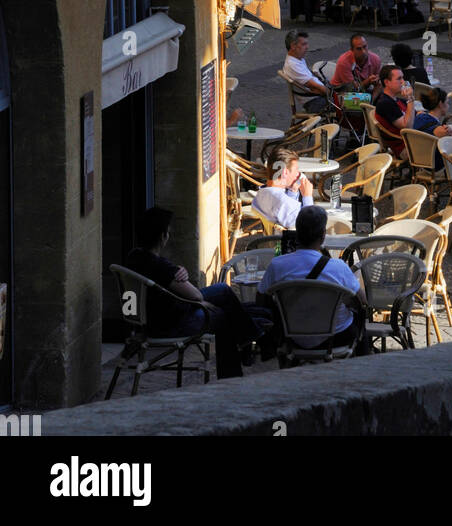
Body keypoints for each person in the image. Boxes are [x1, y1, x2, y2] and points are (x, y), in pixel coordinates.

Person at [125, 206, 270, 378]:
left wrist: (179, 271)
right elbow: (196, 295)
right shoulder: (161, 267)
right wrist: (200, 302)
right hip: (172, 325)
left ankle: (249, 334)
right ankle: (233, 370)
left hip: (151, 320)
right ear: (163, 236)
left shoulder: (134, 257)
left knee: (223, 291)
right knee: (223, 315)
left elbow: (169, 285)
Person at [258, 205, 365, 353]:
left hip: (291, 337)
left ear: (297, 233)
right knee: (360, 319)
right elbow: (362, 301)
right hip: (336, 336)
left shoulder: (277, 265)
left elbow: (262, 298)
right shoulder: (338, 267)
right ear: (322, 236)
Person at [251, 151, 314, 230]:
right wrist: (307, 196)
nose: (298, 174)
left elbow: (285, 210)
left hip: (271, 239)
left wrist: (292, 192)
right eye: (296, 170)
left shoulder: (261, 193)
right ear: (285, 172)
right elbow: (311, 224)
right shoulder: (283, 202)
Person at [280, 28, 328, 113]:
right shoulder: (293, 65)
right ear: (293, 46)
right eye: (304, 44)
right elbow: (315, 87)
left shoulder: (297, 59)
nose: (307, 47)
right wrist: (332, 94)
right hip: (314, 101)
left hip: (315, 97)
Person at [374, 62, 415, 154]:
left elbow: (415, 114)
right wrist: (410, 99)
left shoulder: (396, 99)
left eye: (403, 78)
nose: (403, 82)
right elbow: (407, 126)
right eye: (399, 78)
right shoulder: (385, 103)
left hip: (413, 140)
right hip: (406, 147)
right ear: (387, 82)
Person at [412, 85, 452, 168]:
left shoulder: (419, 116)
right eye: (447, 102)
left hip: (418, 160)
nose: (448, 106)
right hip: (435, 164)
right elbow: (447, 137)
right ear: (441, 104)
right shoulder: (441, 131)